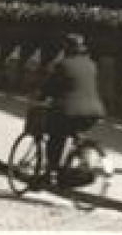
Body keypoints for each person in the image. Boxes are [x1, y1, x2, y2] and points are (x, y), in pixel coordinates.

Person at [39, 32, 106, 186]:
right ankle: (81, 161)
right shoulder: (91, 64)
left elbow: (50, 87)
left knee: (56, 137)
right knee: (76, 134)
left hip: (69, 111)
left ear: (66, 49)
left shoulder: (63, 64)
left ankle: (51, 171)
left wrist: (41, 97)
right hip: (94, 111)